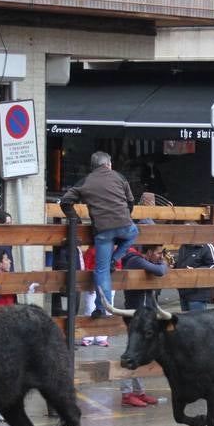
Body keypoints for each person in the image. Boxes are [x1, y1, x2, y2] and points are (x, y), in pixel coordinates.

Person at [59, 150, 138, 318]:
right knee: (134, 233)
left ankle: (102, 308)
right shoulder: (119, 177)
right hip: (125, 226)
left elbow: (65, 202)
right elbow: (131, 202)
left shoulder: (85, 181)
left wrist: (76, 220)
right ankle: (115, 259)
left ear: (93, 166)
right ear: (108, 164)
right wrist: (125, 217)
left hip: (102, 231)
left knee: (101, 271)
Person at [118, 243, 167, 408]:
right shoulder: (135, 261)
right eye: (159, 253)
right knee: (132, 350)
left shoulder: (141, 260)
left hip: (143, 315)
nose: (161, 256)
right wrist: (164, 263)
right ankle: (126, 393)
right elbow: (160, 271)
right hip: (135, 316)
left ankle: (139, 392)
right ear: (149, 252)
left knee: (140, 350)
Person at [173, 231, 214, 312]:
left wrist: (195, 271)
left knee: (198, 321)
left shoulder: (207, 246)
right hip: (184, 291)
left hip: (198, 293)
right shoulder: (184, 246)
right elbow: (182, 263)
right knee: (186, 321)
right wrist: (174, 266)